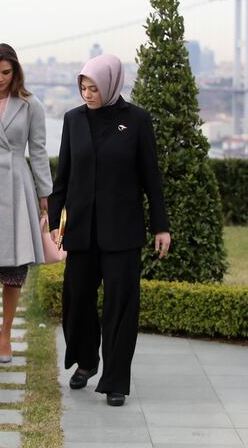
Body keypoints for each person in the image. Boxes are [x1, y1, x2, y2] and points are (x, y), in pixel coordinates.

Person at [48, 54, 171, 407]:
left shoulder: (136, 121)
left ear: (112, 84)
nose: (88, 94)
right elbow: (64, 176)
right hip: (82, 232)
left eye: (94, 88)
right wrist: (55, 221)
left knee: (121, 307)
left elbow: (152, 179)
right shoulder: (73, 120)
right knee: (76, 303)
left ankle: (116, 380)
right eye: (83, 87)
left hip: (122, 234)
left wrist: (161, 226)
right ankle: (87, 361)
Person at [0, 44, 52, 364]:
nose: (1, 78)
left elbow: (40, 150)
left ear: (16, 72)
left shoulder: (32, 105)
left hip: (17, 185)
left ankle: (5, 331)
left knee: (13, 267)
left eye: (7, 72)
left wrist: (46, 194)